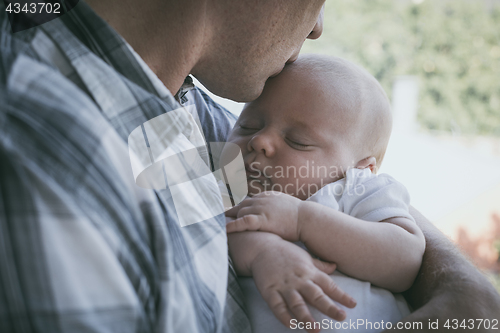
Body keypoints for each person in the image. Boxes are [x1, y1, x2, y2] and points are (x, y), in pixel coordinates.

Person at [0, 1, 498, 333]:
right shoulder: (40, 157)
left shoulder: (188, 106)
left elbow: (355, 195)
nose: (317, 25)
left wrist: (465, 289)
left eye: (297, 139)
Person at [225, 54, 425, 332]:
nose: (259, 141)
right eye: (247, 126)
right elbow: (211, 235)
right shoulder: (226, 185)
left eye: (298, 141)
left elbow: (405, 261)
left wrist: (302, 220)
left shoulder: (355, 190)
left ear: (360, 168)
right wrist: (263, 252)